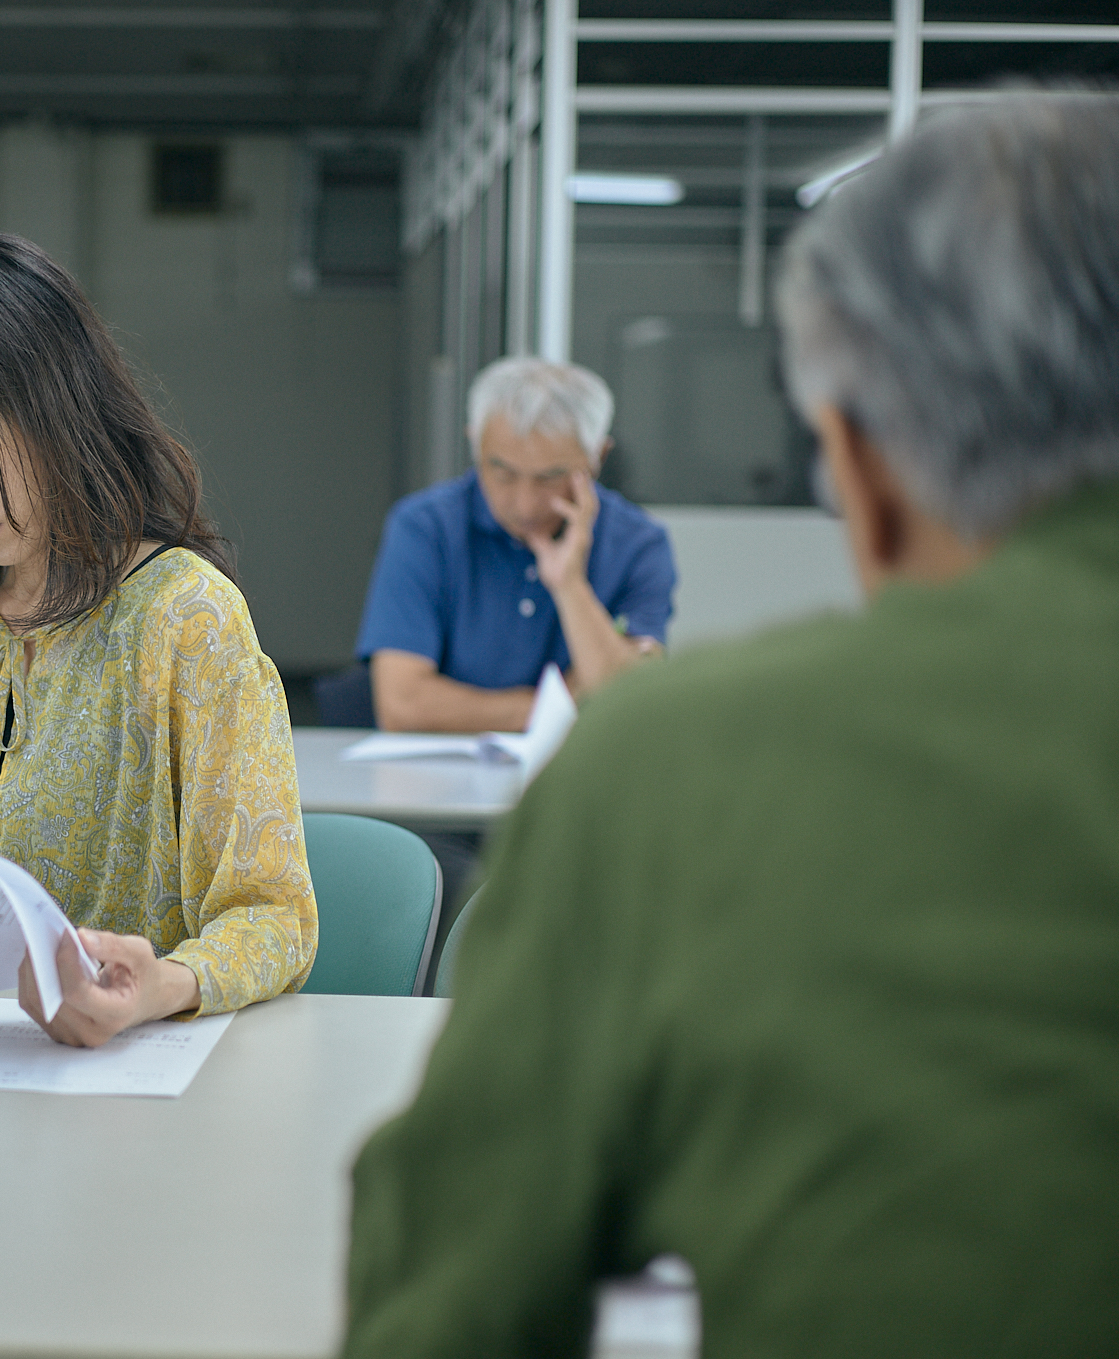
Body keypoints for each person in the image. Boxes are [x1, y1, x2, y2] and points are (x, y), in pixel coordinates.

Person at [342, 92, 1119, 1358]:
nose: (525, 497)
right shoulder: (436, 532)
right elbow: (402, 694)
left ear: (857, 469)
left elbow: (447, 1301)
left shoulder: (667, 774)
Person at [0, 231, 317, 1048]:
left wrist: (170, 983)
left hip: (121, 1091)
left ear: (58, 402)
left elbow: (274, 917)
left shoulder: (184, 619)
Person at [355, 358, 676, 731]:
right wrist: (562, 705)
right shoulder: (424, 527)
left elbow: (629, 708)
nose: (525, 504)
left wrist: (569, 584)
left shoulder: (639, 544)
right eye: (504, 474)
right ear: (475, 445)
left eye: (550, 477)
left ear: (597, 457)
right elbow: (403, 706)